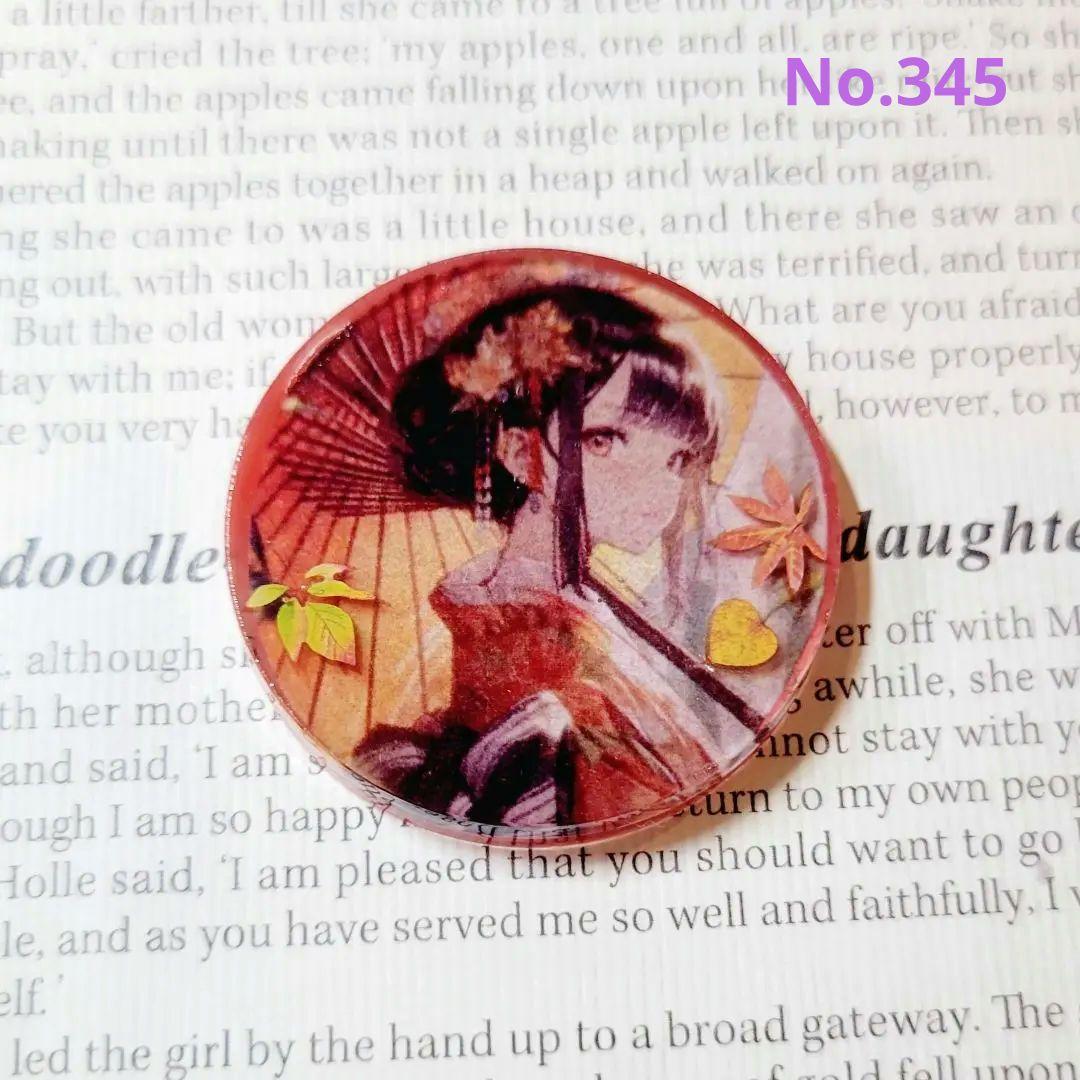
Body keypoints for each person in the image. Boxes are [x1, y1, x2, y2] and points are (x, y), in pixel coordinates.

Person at [350, 284, 765, 833]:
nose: (656, 487)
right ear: (518, 451)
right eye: (605, 439)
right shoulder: (524, 628)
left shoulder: (561, 601)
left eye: (677, 457)